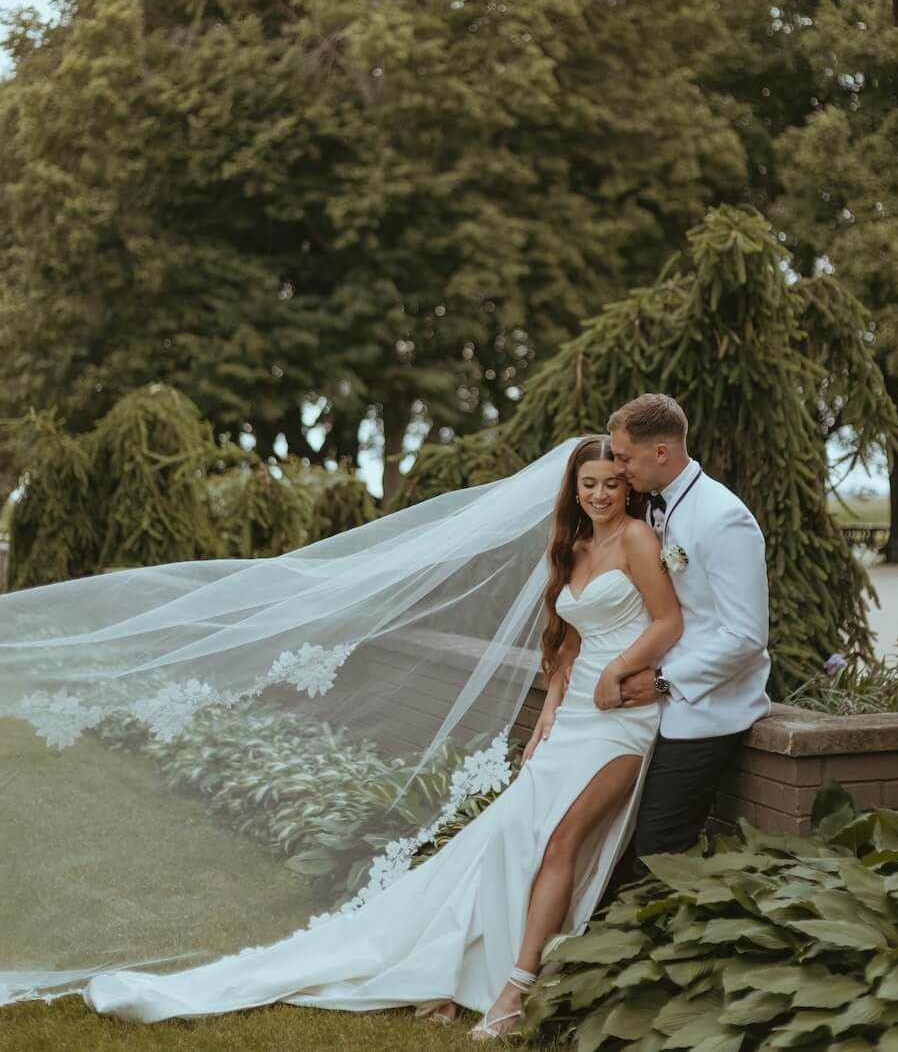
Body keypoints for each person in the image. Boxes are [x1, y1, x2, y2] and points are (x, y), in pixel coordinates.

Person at [78, 436, 681, 1034]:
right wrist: (549, 709)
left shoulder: (637, 539)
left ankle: (515, 992)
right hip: (572, 715)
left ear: (626, 486)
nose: (600, 494)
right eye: (588, 484)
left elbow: (668, 621)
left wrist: (619, 669)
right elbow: (569, 645)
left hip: (622, 718)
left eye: (611, 483)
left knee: (558, 844)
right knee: (504, 841)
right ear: (574, 489)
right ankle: (455, 968)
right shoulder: (574, 548)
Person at [601, 393, 770, 898]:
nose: (618, 468)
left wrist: (662, 681)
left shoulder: (723, 517)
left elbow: (745, 636)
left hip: (705, 710)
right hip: (653, 703)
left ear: (661, 452)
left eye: (624, 458)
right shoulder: (649, 504)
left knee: (657, 853)